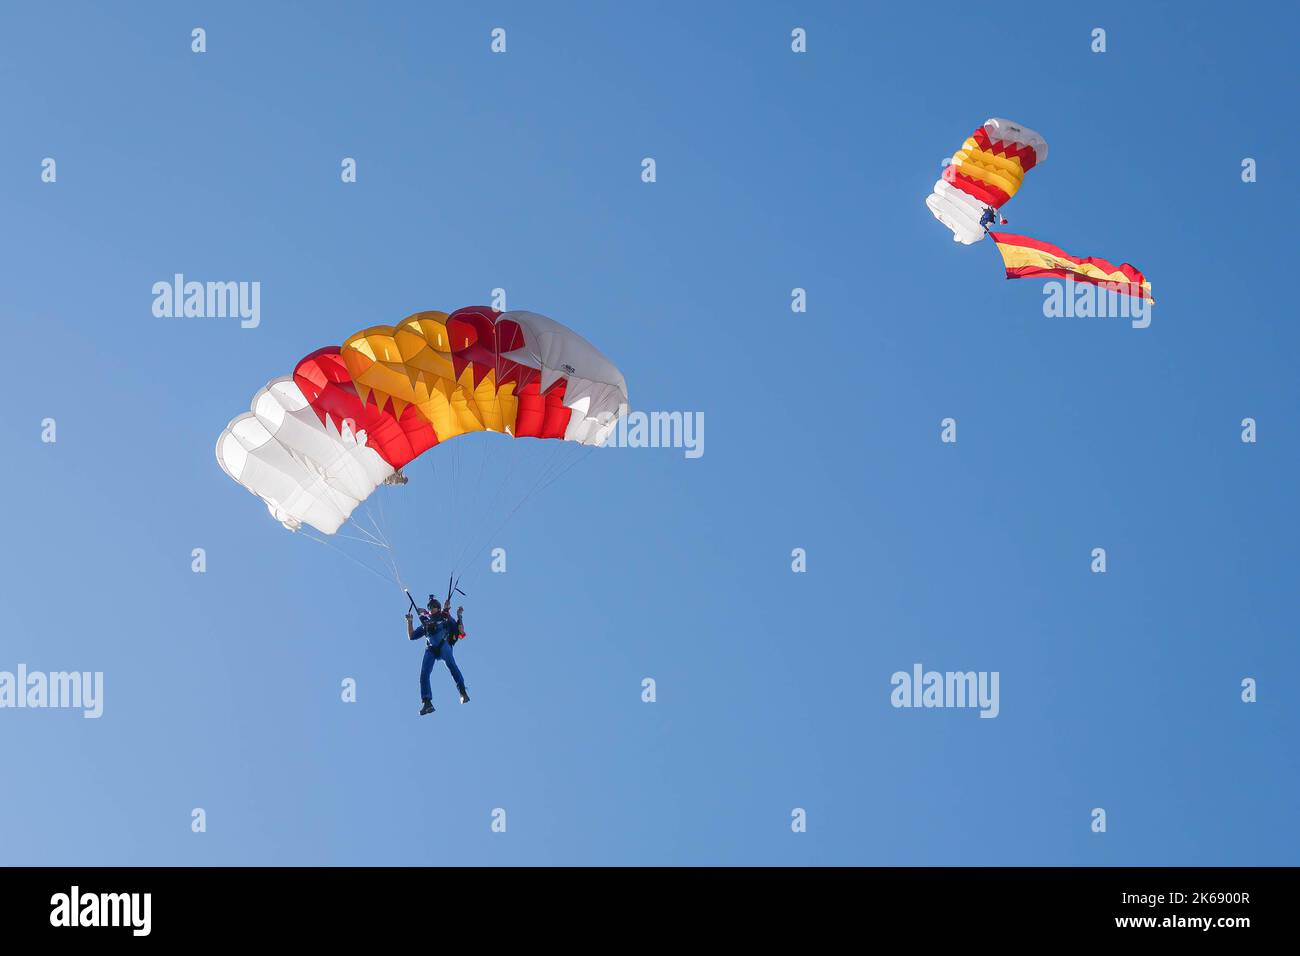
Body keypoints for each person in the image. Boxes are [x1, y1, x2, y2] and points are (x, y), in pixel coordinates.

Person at [405, 595, 469, 716]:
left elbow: (460, 632)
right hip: (431, 649)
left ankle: (462, 692)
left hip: (444, 645)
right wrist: (409, 621)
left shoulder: (445, 618)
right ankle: (427, 702)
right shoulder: (426, 622)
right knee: (424, 673)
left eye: (435, 606)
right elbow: (412, 636)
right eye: (430, 607)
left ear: (439, 608)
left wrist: (459, 615)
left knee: (451, 665)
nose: (432, 608)